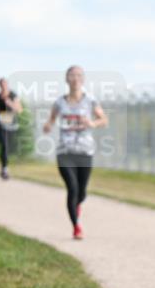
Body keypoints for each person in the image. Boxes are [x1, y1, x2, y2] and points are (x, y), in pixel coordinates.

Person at [42, 66, 108, 240]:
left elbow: (103, 120)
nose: (75, 78)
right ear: (67, 79)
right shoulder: (59, 102)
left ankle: (76, 205)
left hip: (85, 151)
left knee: (82, 193)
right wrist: (47, 126)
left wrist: (92, 123)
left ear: (83, 79)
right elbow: (51, 120)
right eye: (72, 75)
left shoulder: (90, 100)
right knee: (72, 188)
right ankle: (76, 227)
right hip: (65, 151)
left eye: (78, 75)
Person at [0, 77, 23, 180]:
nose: (3, 86)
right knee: (4, 145)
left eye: (4, 84)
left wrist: (10, 103)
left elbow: (19, 110)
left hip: (12, 124)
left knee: (9, 147)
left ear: (7, 84)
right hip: (1, 123)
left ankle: (7, 166)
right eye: (1, 84)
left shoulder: (13, 95)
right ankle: (4, 169)